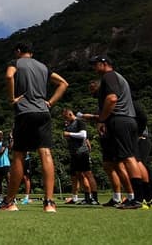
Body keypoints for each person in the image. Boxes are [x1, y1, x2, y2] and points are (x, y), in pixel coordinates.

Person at [0, 42, 68, 212]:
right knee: (45, 152)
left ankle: (10, 202)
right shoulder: (43, 67)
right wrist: (50, 102)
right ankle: (49, 203)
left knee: (19, 155)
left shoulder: (16, 63)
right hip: (43, 112)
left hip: (24, 113)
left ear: (18, 51)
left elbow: (8, 76)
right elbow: (64, 83)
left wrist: (12, 98)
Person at [90, 55, 144, 209]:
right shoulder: (117, 77)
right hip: (127, 120)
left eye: (95, 64)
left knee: (128, 158)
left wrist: (102, 119)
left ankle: (137, 198)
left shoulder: (109, 76)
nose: (94, 68)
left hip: (120, 119)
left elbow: (112, 99)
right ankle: (133, 197)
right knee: (127, 157)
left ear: (104, 63)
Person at [62, 108, 99, 205]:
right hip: (73, 153)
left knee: (88, 174)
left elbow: (83, 135)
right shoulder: (68, 125)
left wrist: (69, 134)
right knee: (79, 175)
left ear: (70, 114)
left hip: (82, 152)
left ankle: (94, 197)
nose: (65, 119)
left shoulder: (79, 122)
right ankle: (87, 197)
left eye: (66, 117)